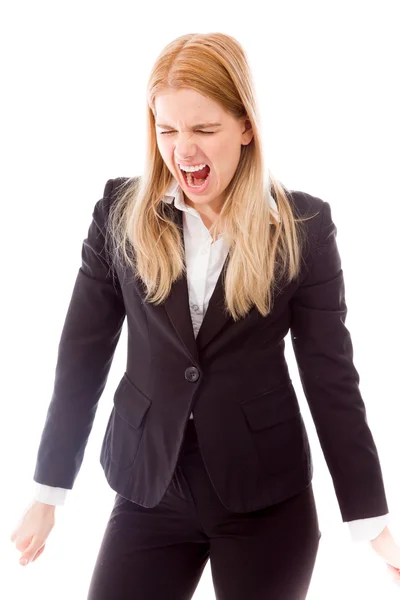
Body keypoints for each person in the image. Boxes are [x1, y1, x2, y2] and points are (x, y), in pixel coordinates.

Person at [10, 32, 400, 598]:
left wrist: (372, 521)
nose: (183, 149)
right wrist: (48, 493)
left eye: (204, 129)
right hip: (149, 489)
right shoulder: (120, 215)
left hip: (265, 496)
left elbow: (331, 377)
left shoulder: (304, 227)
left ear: (245, 127)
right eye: (167, 129)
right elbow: (81, 356)